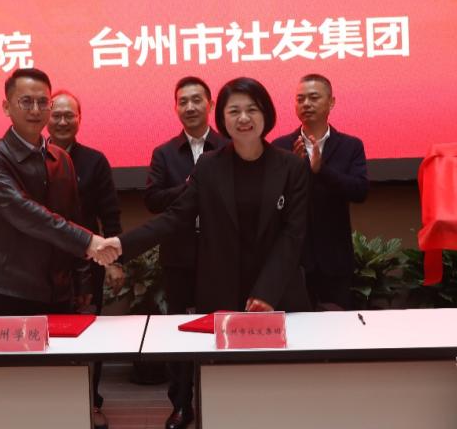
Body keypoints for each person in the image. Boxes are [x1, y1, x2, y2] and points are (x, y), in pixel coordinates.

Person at [112, 75, 312, 365]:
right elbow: (175, 217)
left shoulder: (291, 166)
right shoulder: (208, 166)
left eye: (252, 109)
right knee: (223, 379)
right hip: (222, 292)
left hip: (277, 292)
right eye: (234, 111)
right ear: (222, 118)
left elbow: (293, 234)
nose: (243, 118)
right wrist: (120, 246)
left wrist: (267, 291)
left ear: (266, 114)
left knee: (280, 377)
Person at [0, 68, 118, 317]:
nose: (35, 110)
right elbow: (25, 213)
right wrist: (88, 242)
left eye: (43, 102)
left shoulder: (61, 159)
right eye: (26, 101)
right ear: (7, 107)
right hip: (11, 291)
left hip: (59, 292)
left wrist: (82, 280)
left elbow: (74, 218)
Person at [144, 76, 228, 429]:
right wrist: (190, 187)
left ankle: (220, 400)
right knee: (178, 330)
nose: (190, 107)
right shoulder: (164, 153)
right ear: (176, 107)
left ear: (210, 105)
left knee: (219, 328)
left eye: (197, 100)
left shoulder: (229, 146)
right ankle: (181, 404)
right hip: (179, 255)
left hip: (221, 256)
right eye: (183, 101)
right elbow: (153, 199)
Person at [48, 90, 122, 429]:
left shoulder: (95, 161)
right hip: (42, 264)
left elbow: (110, 214)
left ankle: (92, 402)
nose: (62, 121)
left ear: (79, 119)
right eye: (57, 114)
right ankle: (53, 403)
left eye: (69, 115)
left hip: (87, 264)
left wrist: (115, 262)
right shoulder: (32, 158)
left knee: (90, 334)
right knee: (47, 333)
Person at [274, 74, 368, 310]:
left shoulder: (350, 145)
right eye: (300, 99)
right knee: (296, 326)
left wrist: (321, 170)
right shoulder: (280, 146)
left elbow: (359, 191)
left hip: (335, 258)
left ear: (331, 102)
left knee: (335, 325)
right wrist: (294, 172)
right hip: (294, 259)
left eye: (314, 97)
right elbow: (273, 201)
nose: (306, 104)